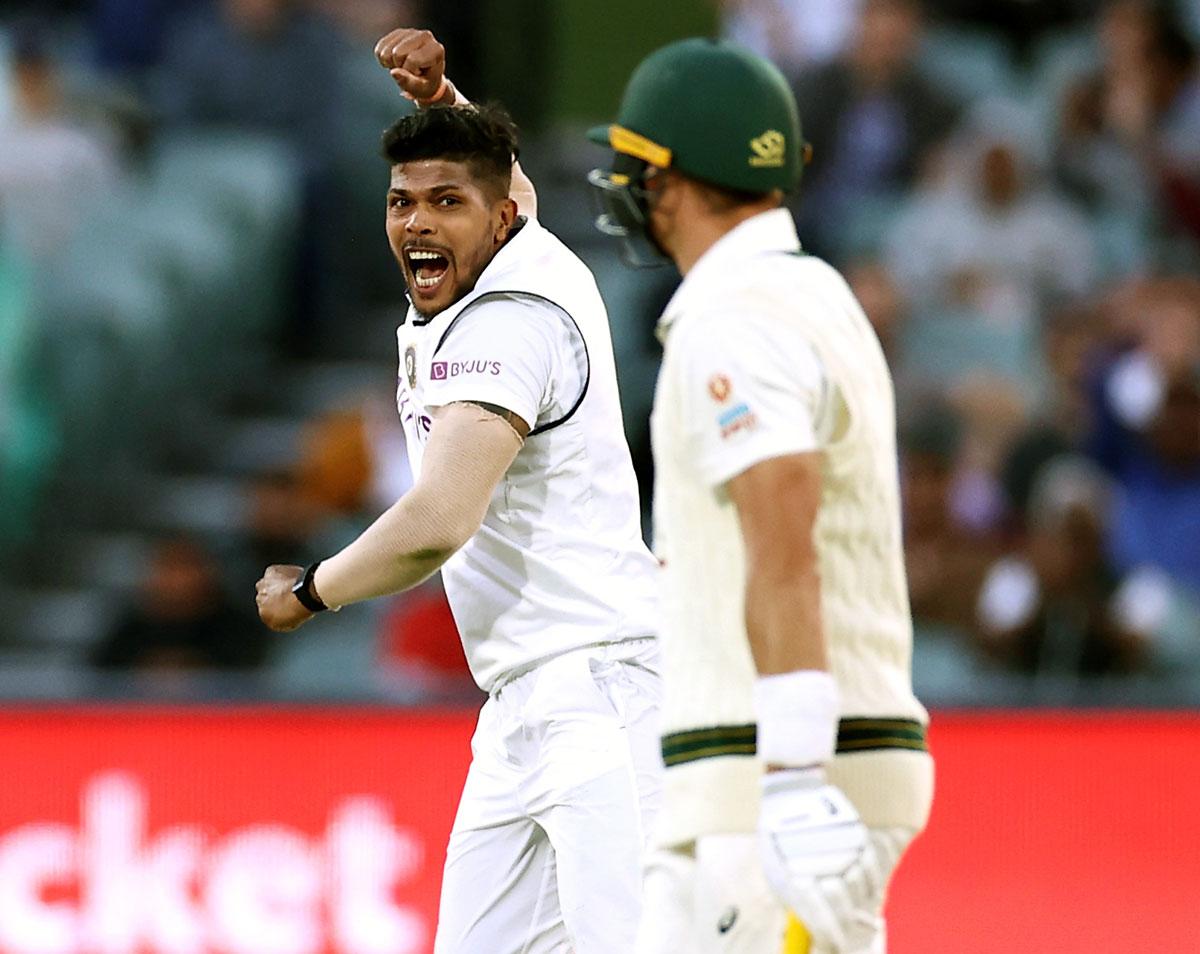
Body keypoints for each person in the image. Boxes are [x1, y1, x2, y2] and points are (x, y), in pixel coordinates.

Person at [254, 28, 662, 954]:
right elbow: (499, 172)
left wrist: (315, 589)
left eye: (446, 203)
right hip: (521, 706)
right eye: (402, 203)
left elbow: (437, 522)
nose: (419, 223)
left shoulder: (510, 323)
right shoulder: (526, 250)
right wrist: (446, 101)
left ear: (501, 221)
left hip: (604, 694)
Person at [588, 38, 933, 954]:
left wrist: (790, 774)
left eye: (636, 162)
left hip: (769, 778)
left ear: (676, 177)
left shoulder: (736, 320)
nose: (622, 184)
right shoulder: (805, 294)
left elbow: (785, 541)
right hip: (772, 770)